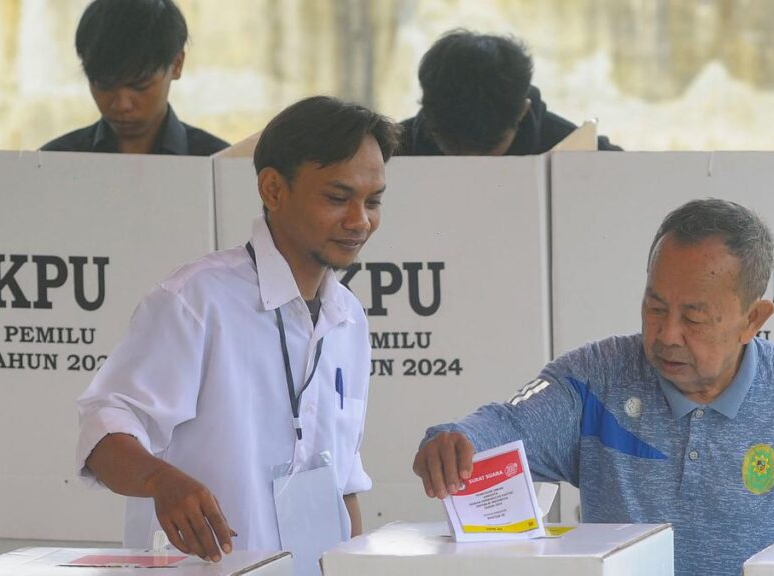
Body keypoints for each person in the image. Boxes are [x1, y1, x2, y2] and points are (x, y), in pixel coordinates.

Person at [413, 199, 774, 576]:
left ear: (753, 319)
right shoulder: (595, 377)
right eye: (655, 308)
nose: (666, 335)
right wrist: (459, 440)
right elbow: (506, 423)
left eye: (694, 317)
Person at [76, 96, 401, 567]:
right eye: (337, 197)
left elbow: (343, 482)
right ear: (273, 189)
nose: (360, 221)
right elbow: (104, 427)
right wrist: (161, 481)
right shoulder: (196, 301)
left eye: (373, 202)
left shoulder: (348, 316)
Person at [42, 0, 228, 155]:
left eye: (140, 85)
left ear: (176, 65)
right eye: (104, 85)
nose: (122, 104)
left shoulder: (219, 166)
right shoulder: (52, 163)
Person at [399, 29, 621, 156]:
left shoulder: (574, 151)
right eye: (455, 148)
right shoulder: (389, 154)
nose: (471, 165)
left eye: (487, 150)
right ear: (428, 116)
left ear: (522, 112)